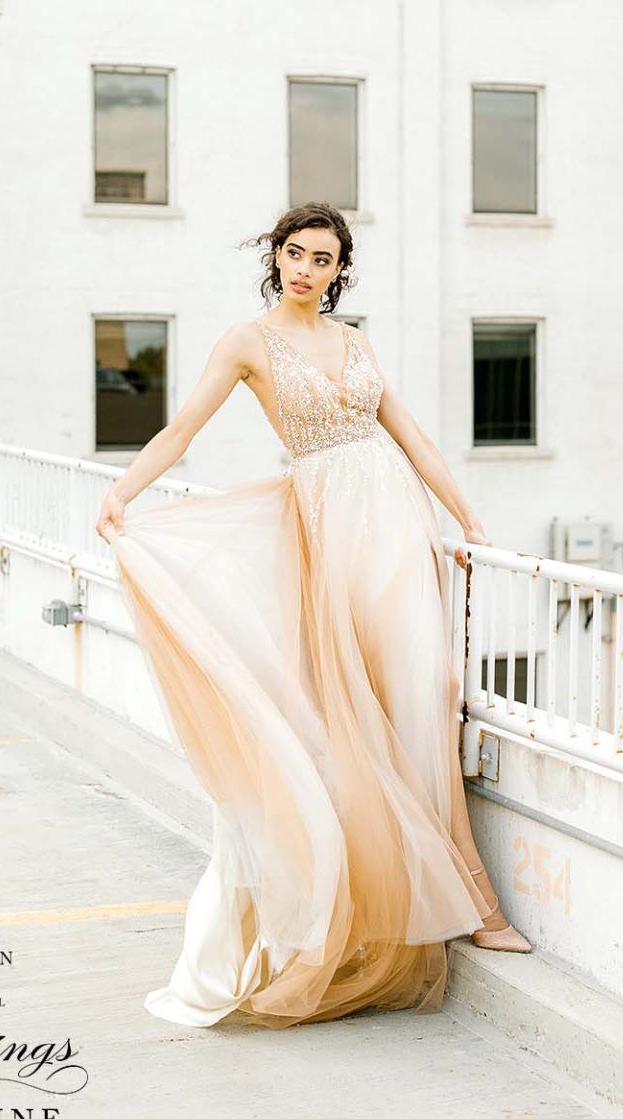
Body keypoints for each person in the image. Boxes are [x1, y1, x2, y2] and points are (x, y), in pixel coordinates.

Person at [96, 201, 532, 1029]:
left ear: (339, 271)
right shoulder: (247, 343)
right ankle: (446, 905)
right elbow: (182, 425)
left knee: (428, 689)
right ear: (276, 257)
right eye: (294, 254)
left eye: (321, 259)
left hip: (396, 522)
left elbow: (409, 437)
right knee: (366, 710)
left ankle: (473, 900)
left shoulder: (355, 341)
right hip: (328, 525)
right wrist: (123, 491)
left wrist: (469, 521)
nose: (305, 269)